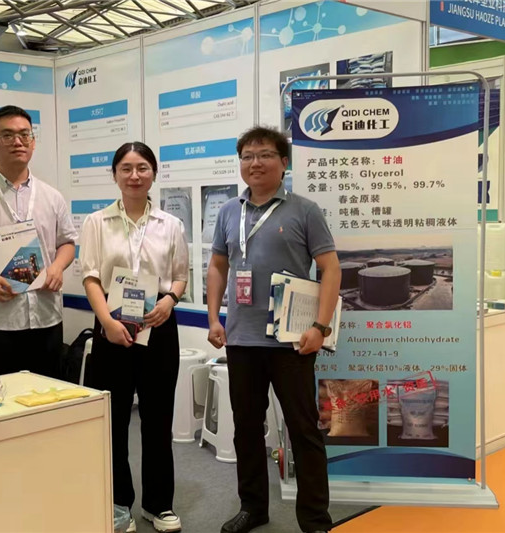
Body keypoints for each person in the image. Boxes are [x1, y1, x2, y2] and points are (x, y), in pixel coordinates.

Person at [206, 126, 341, 533]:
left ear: (284, 163)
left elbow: (331, 268)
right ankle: (253, 507)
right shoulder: (228, 212)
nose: (255, 163)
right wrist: (213, 318)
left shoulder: (304, 210)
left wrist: (320, 326)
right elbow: (218, 266)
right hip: (241, 340)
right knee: (247, 429)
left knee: (303, 430)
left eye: (265, 155)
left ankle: (315, 520)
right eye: (247, 156)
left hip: (292, 342)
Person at [80, 142, 189, 533]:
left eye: (142, 167)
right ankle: (118, 503)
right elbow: (91, 276)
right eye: (126, 168)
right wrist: (106, 321)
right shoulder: (97, 222)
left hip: (158, 324)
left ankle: (159, 505)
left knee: (158, 418)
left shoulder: (170, 224)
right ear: (114, 175)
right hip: (111, 324)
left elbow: (180, 275)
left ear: (153, 173)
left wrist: (170, 301)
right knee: (113, 420)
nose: (134, 175)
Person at [0, 105, 77, 378]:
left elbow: (67, 243)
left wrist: (57, 268)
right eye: (7, 135)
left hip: (46, 318)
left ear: (33, 141)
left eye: (24, 134)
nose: (17, 141)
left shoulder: (52, 196)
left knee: (48, 397)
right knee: (0, 399)